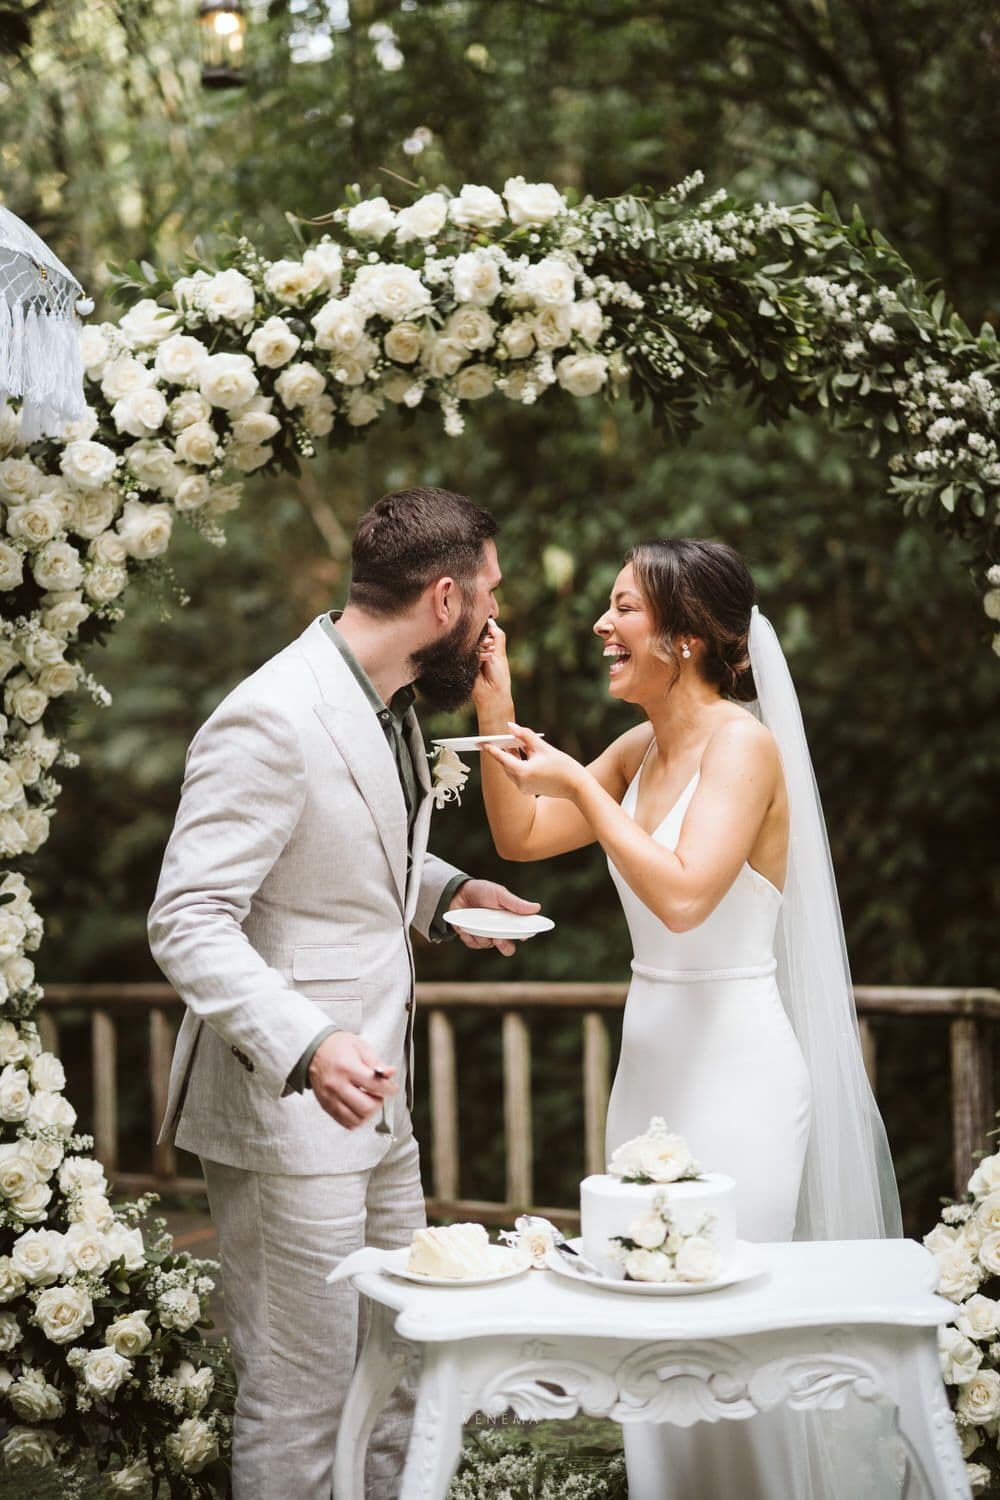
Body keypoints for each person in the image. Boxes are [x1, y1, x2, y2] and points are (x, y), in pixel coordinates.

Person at [473, 537, 902, 1499]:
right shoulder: (643, 748)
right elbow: (521, 834)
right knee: (653, 1337)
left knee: (728, 1330)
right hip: (650, 1069)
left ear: (688, 637)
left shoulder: (744, 747)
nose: (602, 626)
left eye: (624, 608)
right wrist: (496, 712)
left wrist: (582, 781)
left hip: (739, 1068)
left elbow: (683, 897)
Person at [148, 486, 539, 1500]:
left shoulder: (384, 700)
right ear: (444, 600)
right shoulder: (271, 715)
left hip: (380, 1100)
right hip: (291, 1106)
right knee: (301, 1394)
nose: (499, 620)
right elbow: (187, 919)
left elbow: (346, 860)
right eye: (492, 598)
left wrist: (445, 893)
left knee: (395, 1372)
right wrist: (309, 1043)